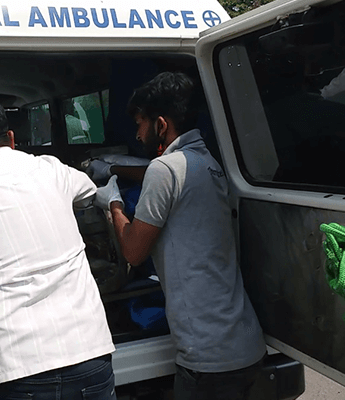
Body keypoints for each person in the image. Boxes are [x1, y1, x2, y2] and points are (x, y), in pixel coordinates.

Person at [0, 98, 116, 400]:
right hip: (88, 354)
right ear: (11, 139)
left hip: (11, 368)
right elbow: (89, 191)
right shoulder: (51, 170)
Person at [93, 72, 267, 400]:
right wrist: (116, 169)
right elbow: (163, 170)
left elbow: (132, 251)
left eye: (140, 123)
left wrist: (114, 203)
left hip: (208, 359)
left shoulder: (166, 170)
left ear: (161, 125)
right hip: (245, 342)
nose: (137, 132)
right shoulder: (208, 162)